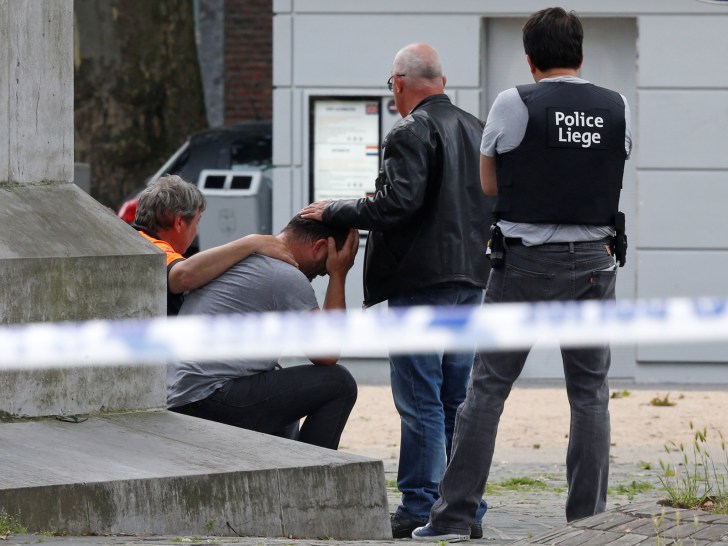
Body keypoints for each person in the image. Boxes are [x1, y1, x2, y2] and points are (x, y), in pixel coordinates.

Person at [413, 7, 633, 542]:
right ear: (580, 54)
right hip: (594, 265)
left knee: (487, 389)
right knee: (589, 394)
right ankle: (588, 522)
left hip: (525, 263)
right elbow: (613, 165)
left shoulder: (516, 102)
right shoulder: (615, 105)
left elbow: (490, 185)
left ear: (531, 59)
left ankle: (454, 517)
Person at [300, 43, 492, 538]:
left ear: (401, 83)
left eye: (392, 87)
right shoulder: (476, 129)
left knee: (420, 399)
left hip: (421, 281)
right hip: (471, 279)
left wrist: (335, 211)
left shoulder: (410, 130)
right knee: (456, 400)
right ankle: (463, 509)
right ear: (442, 83)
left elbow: (398, 205)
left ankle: (420, 506)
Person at [167, 215, 360, 450]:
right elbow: (326, 354)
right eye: (323, 270)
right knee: (339, 383)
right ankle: (312, 476)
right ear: (320, 248)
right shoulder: (285, 275)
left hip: (182, 394)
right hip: (207, 398)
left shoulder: (238, 259)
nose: (321, 274)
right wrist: (339, 275)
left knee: (282, 387)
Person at [133, 174, 296, 315]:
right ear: (180, 223)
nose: (196, 232)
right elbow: (182, 276)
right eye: (196, 223)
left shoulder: (134, 239)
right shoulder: (155, 248)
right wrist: (252, 243)